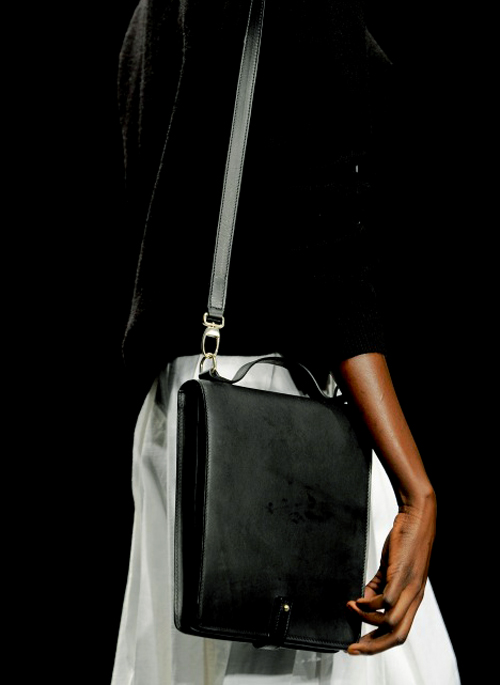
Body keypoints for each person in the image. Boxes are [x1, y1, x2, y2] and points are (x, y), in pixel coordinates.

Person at [111, 1, 461, 683]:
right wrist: (416, 488)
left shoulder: (148, 18)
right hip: (273, 431)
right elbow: (325, 248)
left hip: (185, 419)